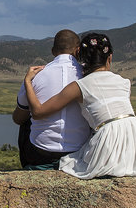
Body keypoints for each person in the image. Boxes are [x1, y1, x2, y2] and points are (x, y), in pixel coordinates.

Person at [23, 31, 136, 178]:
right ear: (110, 58)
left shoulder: (80, 86)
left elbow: (38, 112)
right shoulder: (124, 82)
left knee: (69, 162)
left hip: (108, 142)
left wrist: (27, 82)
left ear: (80, 56)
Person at [11, 30, 90, 170]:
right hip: (79, 150)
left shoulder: (36, 75)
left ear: (53, 51)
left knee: (25, 119)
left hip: (41, 152)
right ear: (78, 50)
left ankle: (31, 168)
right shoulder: (88, 75)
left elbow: (18, 118)